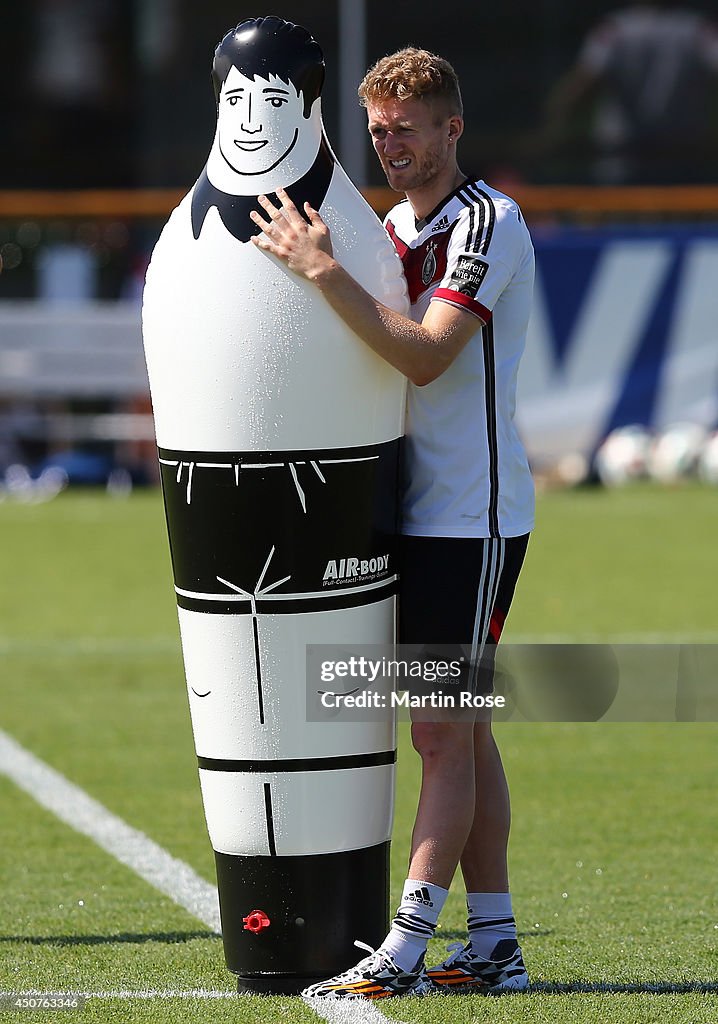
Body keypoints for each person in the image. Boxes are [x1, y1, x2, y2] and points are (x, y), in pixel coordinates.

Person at [250, 47, 535, 999]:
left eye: (407, 128)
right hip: (408, 511)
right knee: (463, 731)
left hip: (472, 514)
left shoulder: (487, 221)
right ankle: (494, 945)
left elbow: (424, 357)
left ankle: (405, 949)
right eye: (377, 130)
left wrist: (321, 269)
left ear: (453, 128)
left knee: (443, 734)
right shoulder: (388, 227)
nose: (391, 144)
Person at [542, 1, 718, 184]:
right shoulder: (697, 28)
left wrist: (553, 127)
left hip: (624, 151)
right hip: (676, 150)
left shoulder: (615, 28)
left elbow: (583, 81)